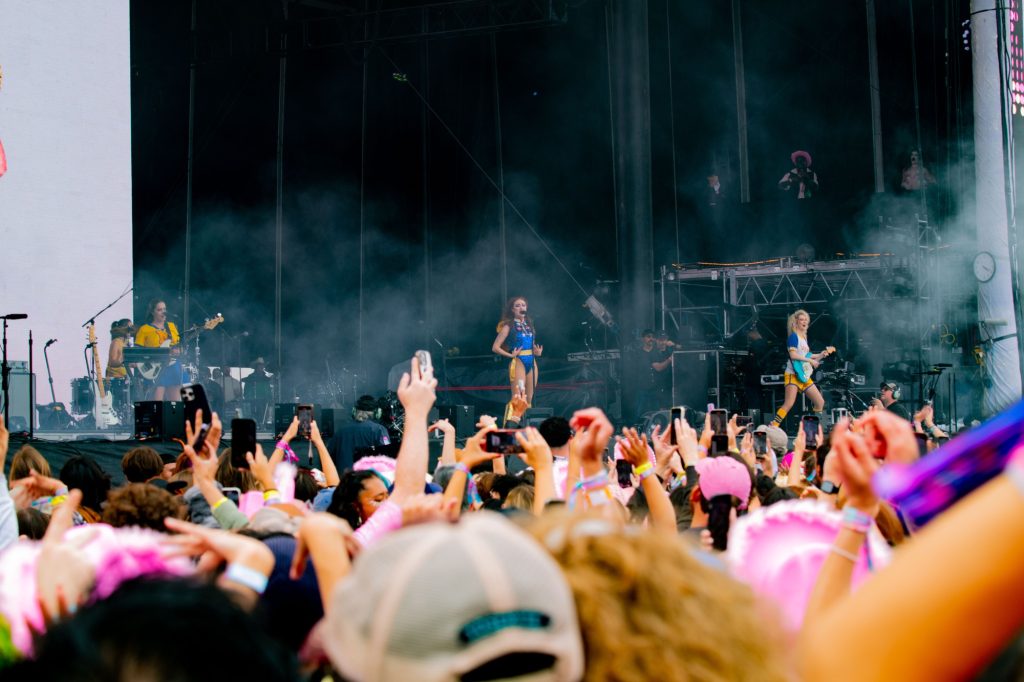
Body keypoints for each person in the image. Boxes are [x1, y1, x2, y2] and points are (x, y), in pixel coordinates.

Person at [771, 309, 827, 428]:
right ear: (795, 322)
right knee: (788, 403)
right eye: (801, 319)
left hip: (803, 376)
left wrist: (821, 354)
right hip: (793, 374)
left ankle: (814, 428)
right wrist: (811, 361)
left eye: (806, 319)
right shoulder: (793, 337)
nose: (804, 321)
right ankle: (773, 426)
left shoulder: (804, 338)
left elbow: (806, 355)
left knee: (819, 401)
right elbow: (794, 355)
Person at [492, 296, 543, 423]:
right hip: (519, 361)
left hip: (531, 361)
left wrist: (537, 352)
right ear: (512, 310)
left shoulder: (530, 324)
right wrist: (510, 355)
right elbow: (495, 347)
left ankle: (525, 427)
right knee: (518, 397)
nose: (521, 307)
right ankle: (510, 428)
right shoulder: (508, 326)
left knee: (529, 397)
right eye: (517, 305)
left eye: (523, 305)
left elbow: (531, 343)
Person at [134, 300, 185, 401]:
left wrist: (179, 350)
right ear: (152, 312)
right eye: (159, 310)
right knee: (157, 404)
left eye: (164, 309)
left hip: (173, 366)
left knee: (175, 404)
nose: (163, 312)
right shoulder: (145, 329)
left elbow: (178, 345)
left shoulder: (171, 326)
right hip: (156, 368)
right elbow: (138, 351)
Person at [326, 394, 391, 471]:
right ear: (377, 413)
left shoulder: (340, 431)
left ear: (354, 411)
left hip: (343, 480)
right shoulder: (379, 430)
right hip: (366, 480)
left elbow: (328, 455)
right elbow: (387, 457)